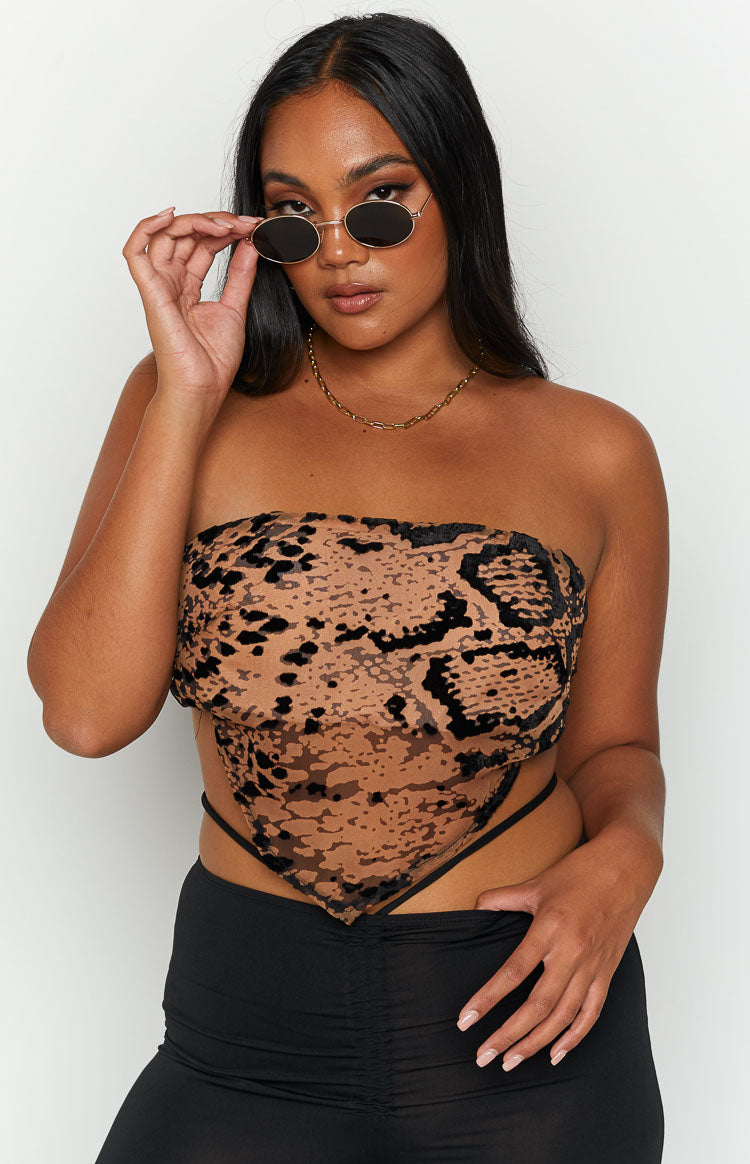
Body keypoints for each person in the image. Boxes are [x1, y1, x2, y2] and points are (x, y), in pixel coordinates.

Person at [27, 12, 667, 1162]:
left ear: (457, 188)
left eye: (379, 203)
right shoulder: (181, 404)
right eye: (292, 215)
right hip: (242, 1032)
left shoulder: (595, 452)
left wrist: (630, 856)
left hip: (526, 1037)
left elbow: (617, 747)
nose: (337, 252)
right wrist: (185, 394)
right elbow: (83, 714)